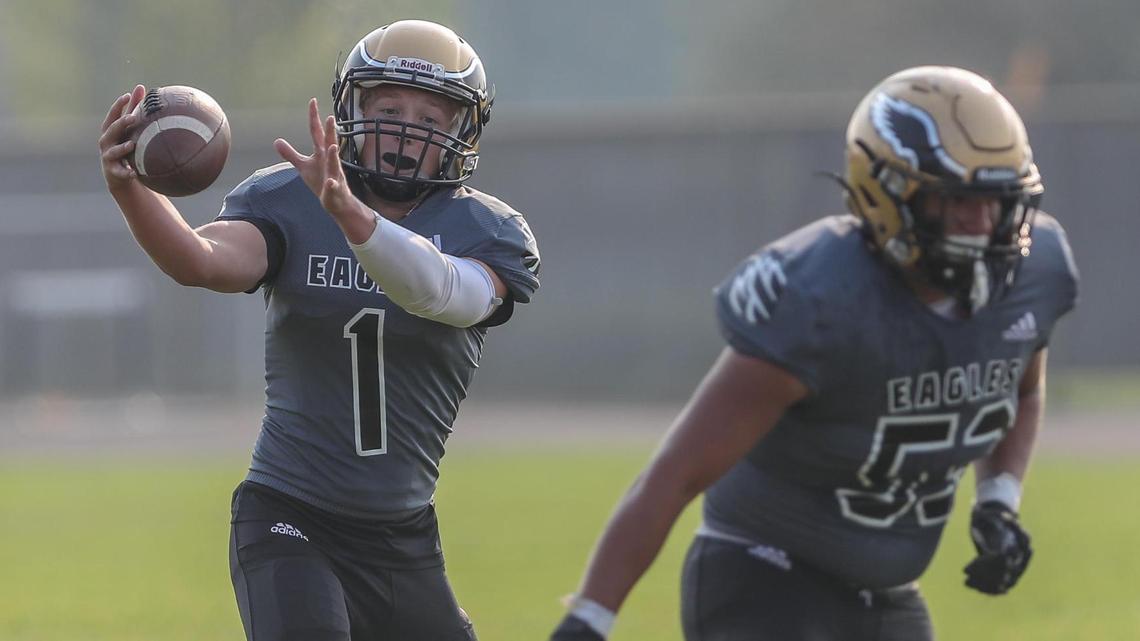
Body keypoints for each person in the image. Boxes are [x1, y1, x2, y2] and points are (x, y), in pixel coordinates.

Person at [549, 65, 1078, 641]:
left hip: (889, 598)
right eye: (955, 203)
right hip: (765, 579)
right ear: (887, 195)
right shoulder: (820, 298)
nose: (980, 226)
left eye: (996, 202)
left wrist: (998, 501)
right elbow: (675, 474)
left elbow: (1019, 387)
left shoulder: (1034, 272)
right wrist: (589, 619)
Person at [99, 19, 540, 641]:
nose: (407, 131)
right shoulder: (290, 200)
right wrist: (129, 191)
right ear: (352, 109)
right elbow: (203, 262)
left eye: (432, 117)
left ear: (461, 132)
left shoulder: (487, 231)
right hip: (290, 514)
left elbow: (441, 292)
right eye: (389, 107)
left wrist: (353, 218)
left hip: (401, 536)